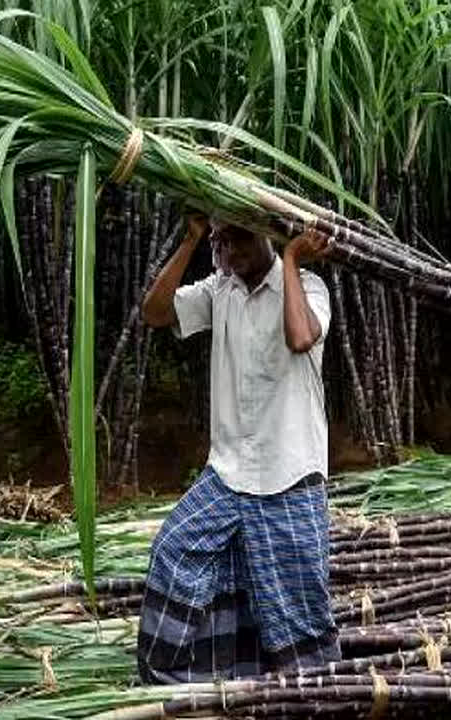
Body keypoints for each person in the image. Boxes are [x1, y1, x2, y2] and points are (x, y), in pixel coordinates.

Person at [135, 214, 340, 683]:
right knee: (173, 551)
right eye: (221, 241)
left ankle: (316, 695)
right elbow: (155, 313)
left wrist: (290, 257)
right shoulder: (219, 290)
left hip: (288, 475)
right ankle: (177, 688)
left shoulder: (308, 286)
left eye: (241, 236)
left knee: (296, 606)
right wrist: (190, 239)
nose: (230, 250)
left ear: (265, 232)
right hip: (227, 474)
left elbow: (301, 337)